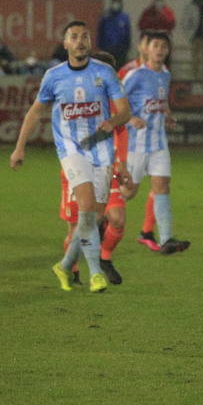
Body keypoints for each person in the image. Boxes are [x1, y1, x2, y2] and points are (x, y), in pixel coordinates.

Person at [10, 20, 138, 293]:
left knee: (93, 218)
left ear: (90, 42)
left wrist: (113, 121)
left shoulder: (105, 73)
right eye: (74, 37)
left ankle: (65, 265)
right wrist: (20, 147)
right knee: (87, 207)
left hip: (101, 151)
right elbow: (35, 112)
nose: (80, 41)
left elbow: (125, 112)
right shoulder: (54, 76)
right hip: (71, 149)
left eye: (84, 36)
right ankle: (95, 273)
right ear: (66, 43)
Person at [89, 30, 190, 255]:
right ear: (146, 48)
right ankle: (98, 220)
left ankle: (166, 239)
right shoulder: (135, 74)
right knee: (128, 192)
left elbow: (161, 101)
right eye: (156, 45)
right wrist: (130, 117)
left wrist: (168, 114)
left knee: (162, 185)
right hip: (135, 144)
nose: (161, 50)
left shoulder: (165, 73)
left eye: (164, 46)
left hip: (158, 143)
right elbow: (116, 98)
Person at [97, 0, 132, 67]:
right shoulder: (105, 17)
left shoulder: (124, 18)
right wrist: (100, 46)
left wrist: (127, 47)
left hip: (121, 50)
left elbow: (127, 34)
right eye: (114, 2)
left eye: (118, 2)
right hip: (107, 49)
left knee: (120, 69)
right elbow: (100, 32)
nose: (116, 5)